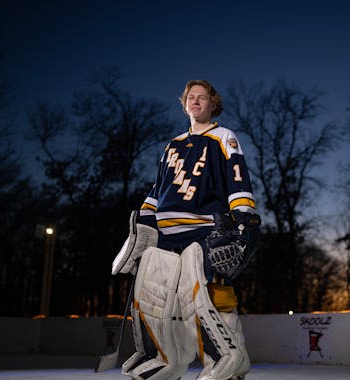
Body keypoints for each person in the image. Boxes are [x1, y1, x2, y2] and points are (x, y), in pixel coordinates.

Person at [111, 79, 260, 380]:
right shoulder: (173, 145)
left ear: (212, 104)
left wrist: (243, 215)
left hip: (205, 228)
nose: (195, 101)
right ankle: (165, 358)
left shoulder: (223, 136)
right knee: (158, 296)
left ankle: (230, 359)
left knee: (207, 294)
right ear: (184, 104)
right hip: (167, 233)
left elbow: (237, 177)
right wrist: (144, 219)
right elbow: (159, 186)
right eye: (191, 97)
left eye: (202, 97)